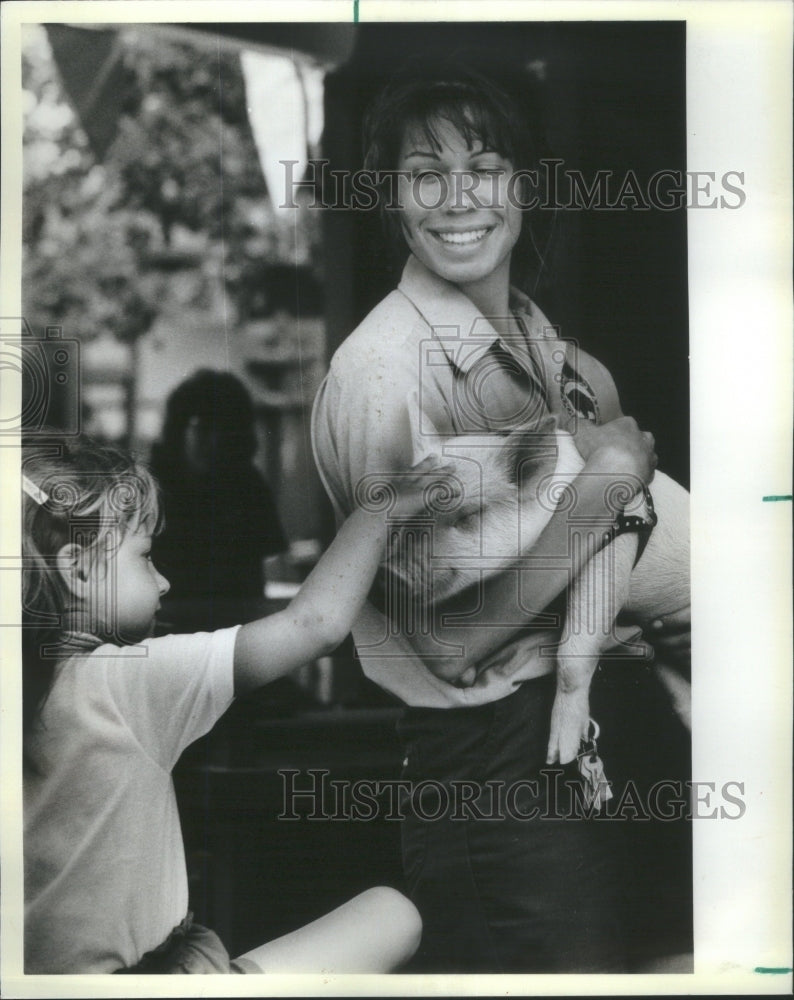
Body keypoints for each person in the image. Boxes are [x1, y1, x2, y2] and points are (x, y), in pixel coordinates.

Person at [311, 58, 689, 972]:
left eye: (483, 166)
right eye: (424, 173)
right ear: (392, 198)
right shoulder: (387, 374)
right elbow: (448, 641)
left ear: (525, 184)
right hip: (492, 773)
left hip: (597, 735)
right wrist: (607, 486)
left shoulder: (546, 346)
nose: (456, 198)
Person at [21, 432, 440, 974]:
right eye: (146, 558)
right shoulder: (123, 682)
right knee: (395, 913)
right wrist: (383, 504)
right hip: (155, 984)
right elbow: (313, 626)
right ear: (77, 570)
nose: (165, 581)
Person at [149, 370, 285, 628]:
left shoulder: (248, 484)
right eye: (203, 428)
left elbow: (268, 562)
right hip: (166, 630)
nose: (213, 443)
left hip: (237, 631)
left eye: (225, 432)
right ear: (179, 428)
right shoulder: (152, 486)